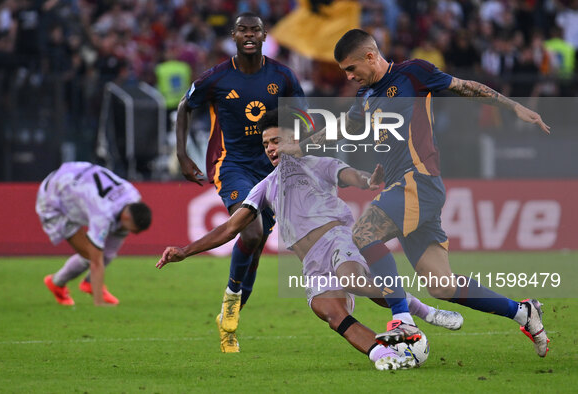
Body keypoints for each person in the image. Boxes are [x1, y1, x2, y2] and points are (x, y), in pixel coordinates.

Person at [281, 29, 550, 357]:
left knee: (364, 232)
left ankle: (402, 319)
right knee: (441, 285)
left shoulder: (413, 73)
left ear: (370, 56)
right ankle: (523, 312)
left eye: (351, 69)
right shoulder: (365, 98)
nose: (349, 77)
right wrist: (302, 147)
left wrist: (512, 107)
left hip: (419, 181)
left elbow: (465, 87)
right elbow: (343, 129)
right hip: (401, 186)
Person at [157, 109, 463, 370]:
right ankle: (383, 356)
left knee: (354, 280)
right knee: (330, 314)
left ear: (293, 139)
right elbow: (229, 229)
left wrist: (368, 181)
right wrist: (184, 251)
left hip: (337, 238)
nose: (270, 148)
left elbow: (349, 175)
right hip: (311, 263)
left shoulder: (317, 163)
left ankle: (424, 311)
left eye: (276, 140)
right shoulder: (265, 186)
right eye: (265, 144)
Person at [174, 12, 305, 352]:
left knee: (255, 247)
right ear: (233, 35)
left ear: (264, 36)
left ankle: (230, 317)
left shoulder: (283, 76)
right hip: (230, 163)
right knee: (250, 231)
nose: (249, 35)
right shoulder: (216, 78)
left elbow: (304, 117)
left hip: (273, 167)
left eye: (255, 30)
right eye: (243, 30)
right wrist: (183, 156)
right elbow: (184, 107)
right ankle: (230, 307)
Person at [37, 162, 152, 306]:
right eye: (135, 230)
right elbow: (96, 262)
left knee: (115, 238)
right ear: (128, 217)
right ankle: (56, 283)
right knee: (91, 256)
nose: (136, 234)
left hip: (77, 175)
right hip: (54, 198)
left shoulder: (133, 195)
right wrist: (99, 304)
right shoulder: (102, 215)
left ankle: (89, 282)